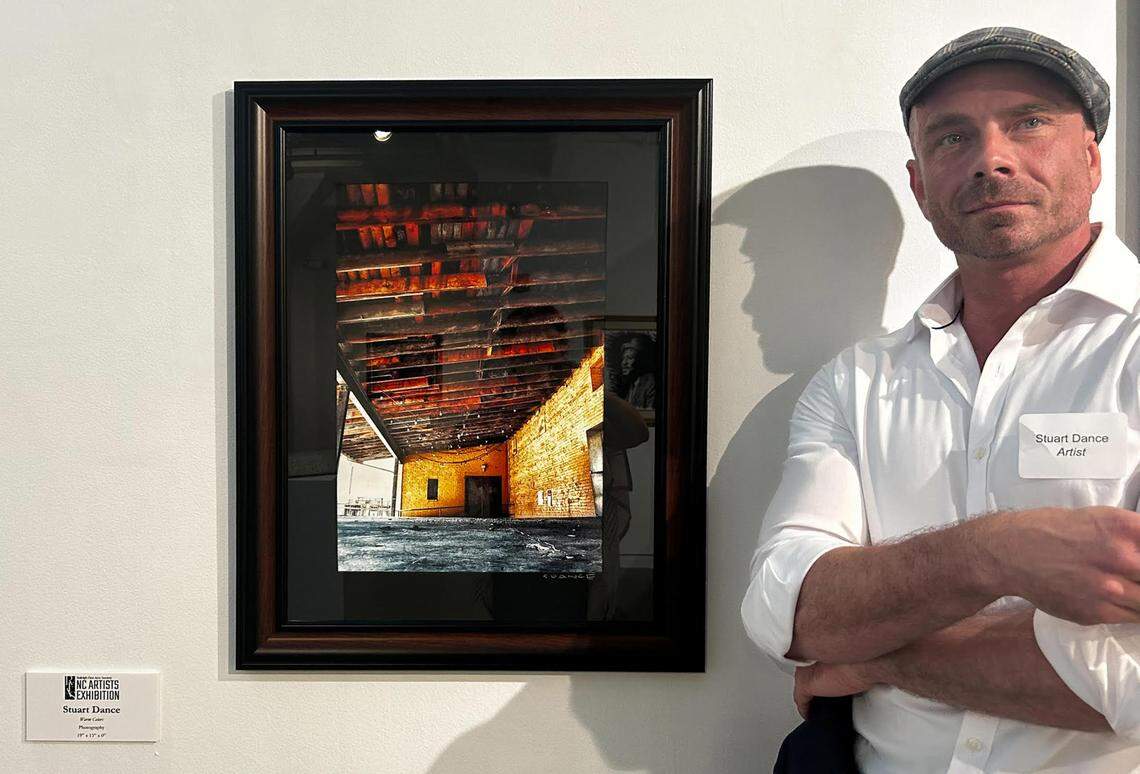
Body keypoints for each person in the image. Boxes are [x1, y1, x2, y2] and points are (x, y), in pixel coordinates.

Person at [741, 27, 1140, 772]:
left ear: (1090, 157)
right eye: (952, 136)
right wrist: (998, 552)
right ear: (921, 184)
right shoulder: (856, 383)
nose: (991, 157)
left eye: (1029, 121)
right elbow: (783, 609)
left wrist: (873, 658)